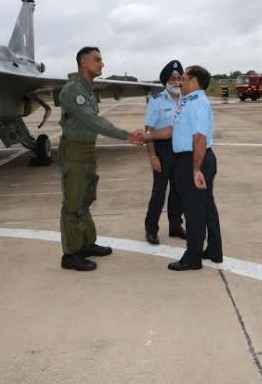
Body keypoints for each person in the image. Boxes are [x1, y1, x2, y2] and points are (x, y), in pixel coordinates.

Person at [58, 46, 143, 271]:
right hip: (75, 152)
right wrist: (126, 135)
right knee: (73, 203)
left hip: (87, 150)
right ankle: (71, 254)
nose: (102, 64)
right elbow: (92, 120)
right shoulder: (73, 89)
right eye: (97, 60)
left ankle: (86, 243)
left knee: (85, 199)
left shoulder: (87, 89)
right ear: (83, 63)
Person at [143, 65, 223, 271]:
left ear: (194, 82)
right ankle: (214, 250)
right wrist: (148, 136)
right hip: (193, 158)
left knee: (193, 209)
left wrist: (196, 169)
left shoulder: (197, 104)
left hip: (194, 159)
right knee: (206, 205)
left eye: (184, 78)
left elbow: (200, 138)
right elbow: (174, 129)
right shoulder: (187, 101)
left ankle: (193, 257)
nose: (180, 82)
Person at [143, 60, 187, 245]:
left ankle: (175, 226)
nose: (176, 82)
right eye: (172, 79)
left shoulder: (186, 99)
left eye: (179, 78)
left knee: (178, 191)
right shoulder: (156, 101)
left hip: (181, 150)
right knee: (159, 192)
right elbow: (148, 130)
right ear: (166, 81)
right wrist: (152, 156)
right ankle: (151, 229)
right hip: (163, 149)